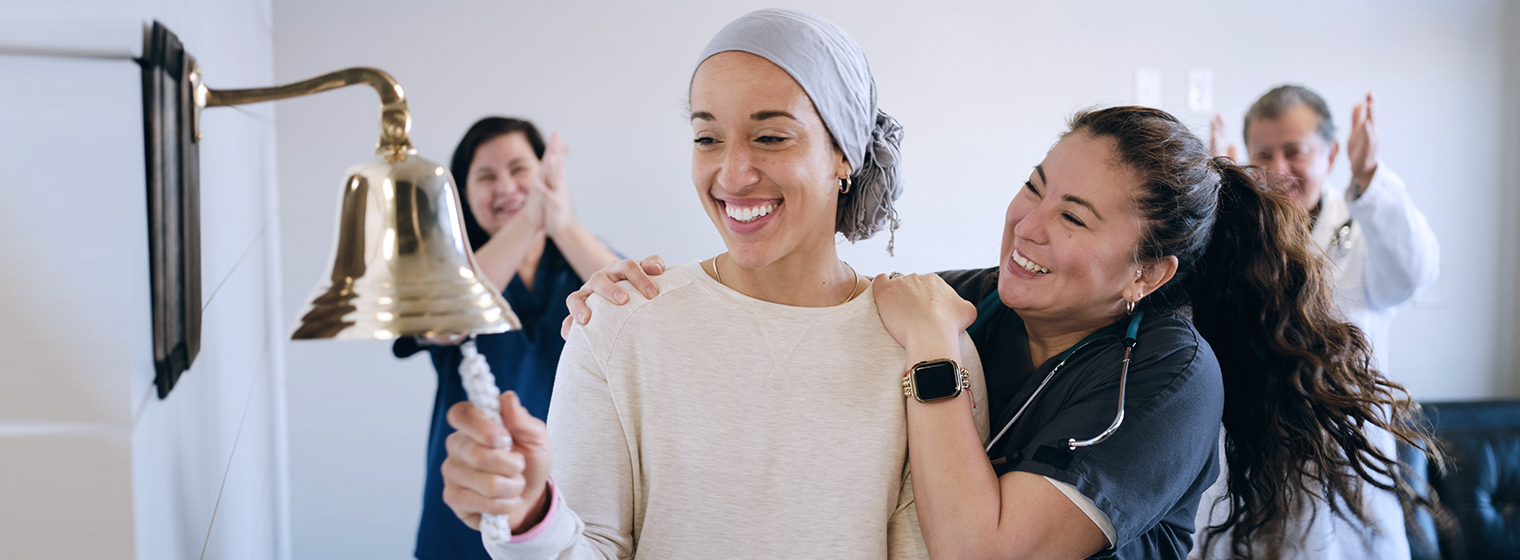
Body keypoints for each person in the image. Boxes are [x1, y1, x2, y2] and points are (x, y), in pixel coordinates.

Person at [572, 107, 1439, 559]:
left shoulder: (1171, 377)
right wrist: (642, 292)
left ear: (1146, 274)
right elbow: (813, 298)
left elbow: (981, 552)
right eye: (1032, 185)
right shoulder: (983, 298)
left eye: (1073, 216)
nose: (1028, 225)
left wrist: (932, 356)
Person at [437, 9, 987, 559]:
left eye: (770, 136)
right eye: (707, 138)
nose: (732, 173)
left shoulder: (926, 348)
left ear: (844, 152)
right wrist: (531, 518)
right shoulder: (616, 322)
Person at [1194, 86, 1441, 559]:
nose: (1280, 169)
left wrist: (1368, 174)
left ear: (1330, 153)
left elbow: (1415, 270)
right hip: (1249, 454)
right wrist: (1215, 201)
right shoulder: (1235, 242)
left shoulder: (1366, 228)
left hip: (1341, 461)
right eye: (1263, 154)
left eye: (1295, 152)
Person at [391, 116, 620, 560]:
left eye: (519, 169)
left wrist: (561, 223)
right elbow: (443, 318)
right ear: (464, 194)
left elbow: (640, 316)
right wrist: (532, 217)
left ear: (545, 175)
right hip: (473, 500)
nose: (506, 186)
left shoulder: (584, 256)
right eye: (487, 176)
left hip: (574, 502)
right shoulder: (448, 272)